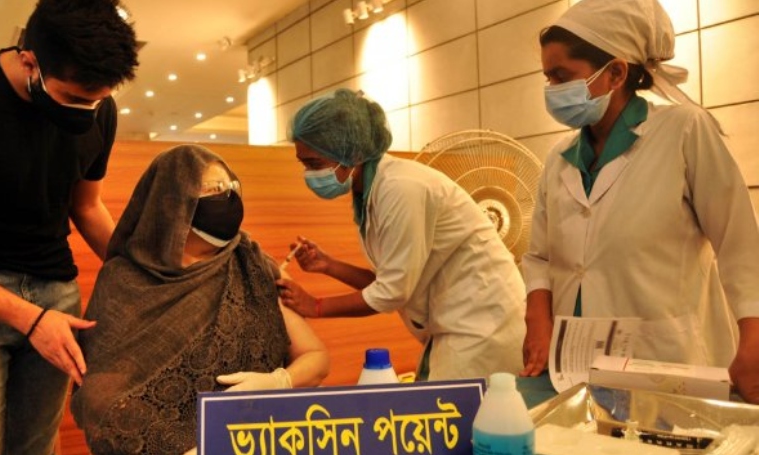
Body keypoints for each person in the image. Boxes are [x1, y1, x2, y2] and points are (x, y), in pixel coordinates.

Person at [520, 0, 759, 404]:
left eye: (562, 76)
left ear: (615, 73)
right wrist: (537, 319)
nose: (552, 91)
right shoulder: (559, 157)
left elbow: (740, 243)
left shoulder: (683, 131)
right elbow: (540, 258)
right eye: (548, 78)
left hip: (667, 360)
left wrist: (753, 337)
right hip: (574, 364)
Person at [0, 0, 138, 452]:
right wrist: (30, 319)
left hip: (56, 296)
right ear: (29, 61)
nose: (87, 110)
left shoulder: (100, 109)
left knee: (35, 447)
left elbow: (88, 207)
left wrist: (144, 271)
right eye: (73, 98)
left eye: (98, 99)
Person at [70, 144, 329, 454]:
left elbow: (316, 358)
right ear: (172, 203)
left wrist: (279, 381)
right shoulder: (124, 280)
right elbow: (99, 396)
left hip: (257, 440)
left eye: (232, 187)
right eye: (214, 189)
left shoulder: (252, 266)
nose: (229, 197)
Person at [277, 88, 526, 381]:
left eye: (315, 164)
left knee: (458, 408)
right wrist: (329, 265)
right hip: (453, 323)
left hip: (482, 324)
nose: (309, 175)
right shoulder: (370, 192)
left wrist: (316, 306)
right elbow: (390, 280)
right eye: (304, 164)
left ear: (352, 154)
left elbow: (392, 292)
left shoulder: (401, 188)